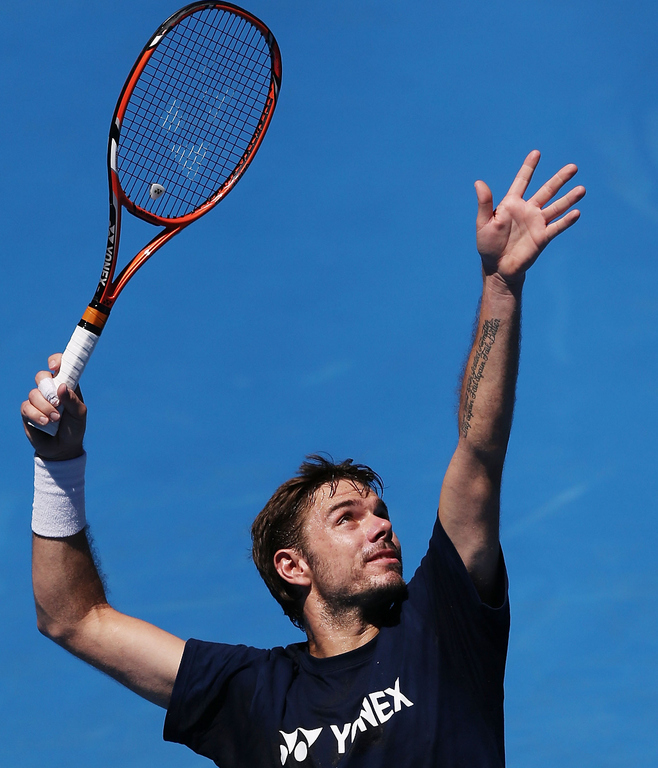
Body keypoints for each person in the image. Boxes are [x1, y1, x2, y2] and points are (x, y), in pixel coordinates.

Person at [21, 150, 585, 767]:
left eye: (378, 511)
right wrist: (58, 465)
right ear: (293, 566)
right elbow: (72, 618)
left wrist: (501, 286)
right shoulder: (251, 696)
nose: (382, 526)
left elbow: (478, 453)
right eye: (347, 517)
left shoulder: (442, 628)